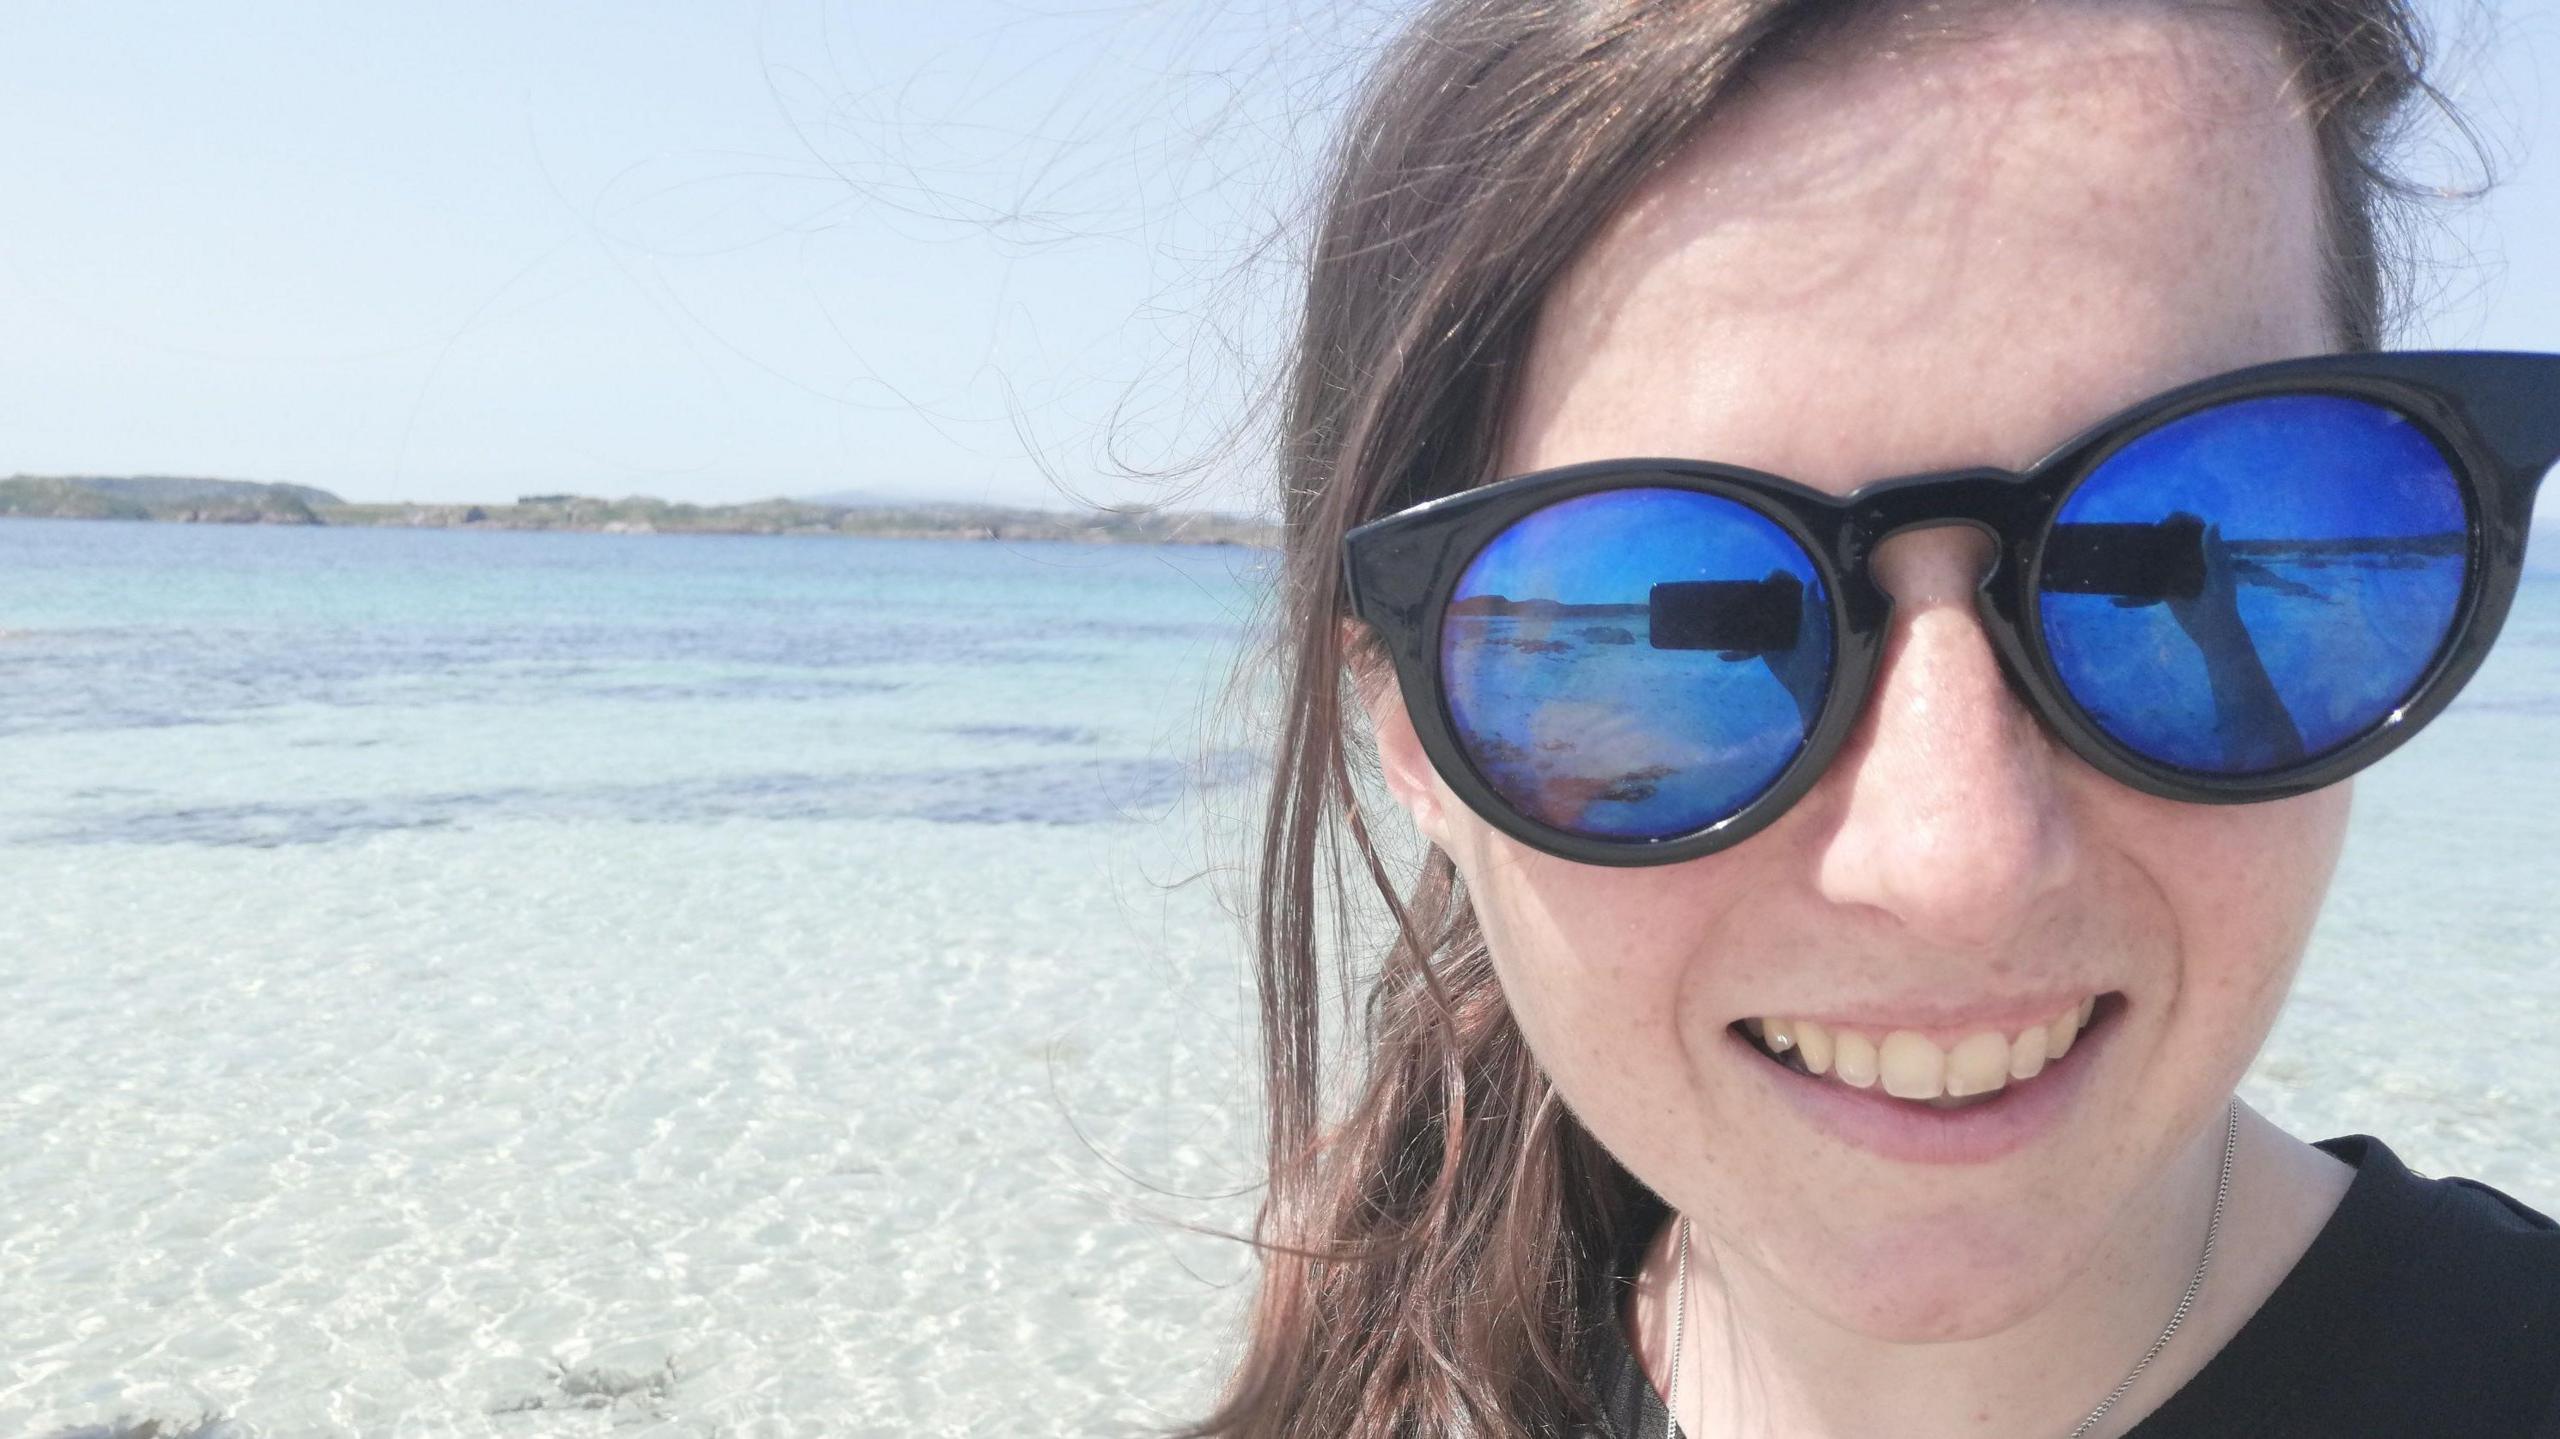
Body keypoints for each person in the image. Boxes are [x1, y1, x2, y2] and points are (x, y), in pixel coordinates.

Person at [1185, 0, 2560, 1434]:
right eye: (1690, 594)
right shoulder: (1398, 1381)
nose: (1954, 867)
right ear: (1408, 736)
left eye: (2185, 533)